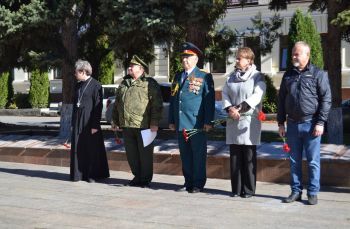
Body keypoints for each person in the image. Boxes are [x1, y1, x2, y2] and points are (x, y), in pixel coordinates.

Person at [277, 41, 331, 205]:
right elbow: (281, 100)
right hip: (292, 124)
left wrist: (321, 122)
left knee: (313, 161)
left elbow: (326, 99)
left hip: (311, 124)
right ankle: (296, 191)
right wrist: (280, 123)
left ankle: (313, 192)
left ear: (307, 55)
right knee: (294, 161)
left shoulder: (318, 74)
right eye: (292, 53)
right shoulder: (288, 75)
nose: (293, 56)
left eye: (296, 53)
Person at [168, 42, 215, 193]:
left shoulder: (204, 76)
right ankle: (188, 182)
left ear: (196, 59)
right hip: (181, 123)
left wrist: (208, 121)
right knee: (185, 155)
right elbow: (174, 99)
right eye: (183, 57)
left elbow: (209, 100)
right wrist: (171, 120)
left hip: (197, 123)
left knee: (198, 155)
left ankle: (198, 183)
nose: (184, 60)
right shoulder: (177, 76)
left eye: (188, 57)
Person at [111, 55, 163, 188]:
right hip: (127, 125)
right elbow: (117, 103)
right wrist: (115, 121)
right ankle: (137, 176)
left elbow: (156, 104)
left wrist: (154, 123)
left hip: (144, 125)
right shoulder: (124, 83)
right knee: (132, 155)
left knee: (145, 155)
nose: (129, 68)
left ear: (141, 68)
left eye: (132, 66)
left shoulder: (149, 83)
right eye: (129, 66)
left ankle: (145, 179)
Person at [222, 47, 266, 198]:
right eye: (236, 58)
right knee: (235, 157)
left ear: (249, 60)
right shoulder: (231, 77)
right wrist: (230, 109)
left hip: (248, 123)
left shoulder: (257, 76)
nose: (236, 60)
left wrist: (240, 109)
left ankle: (248, 189)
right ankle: (236, 188)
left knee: (248, 158)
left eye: (240, 58)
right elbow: (225, 93)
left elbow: (257, 95)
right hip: (233, 120)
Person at [70, 59, 110, 182]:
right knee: (78, 148)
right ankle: (78, 174)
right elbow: (74, 105)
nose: (74, 74)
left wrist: (95, 125)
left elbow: (98, 107)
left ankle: (91, 175)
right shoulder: (78, 85)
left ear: (83, 71)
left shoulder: (96, 85)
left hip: (90, 122)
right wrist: (72, 123)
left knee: (91, 149)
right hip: (78, 121)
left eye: (76, 72)